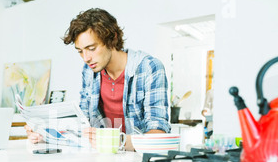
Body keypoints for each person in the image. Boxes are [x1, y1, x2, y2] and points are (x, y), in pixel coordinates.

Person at [25, 8, 170, 150]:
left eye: (92, 48)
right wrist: (46, 134)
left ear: (112, 38)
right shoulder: (89, 71)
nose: (86, 58)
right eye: (80, 51)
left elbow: (158, 135)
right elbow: (83, 124)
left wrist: (115, 141)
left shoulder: (149, 68)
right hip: (101, 157)